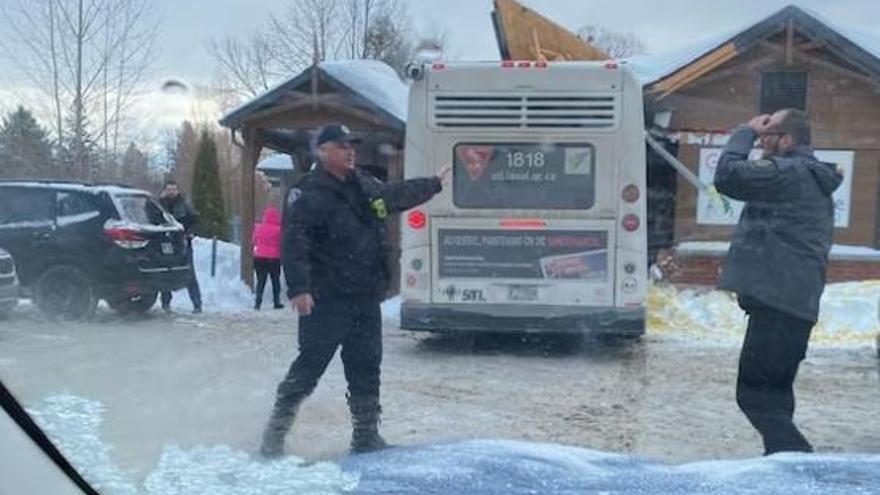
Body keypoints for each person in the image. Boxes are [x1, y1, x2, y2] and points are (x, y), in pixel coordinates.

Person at [259, 124, 451, 458]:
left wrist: (433, 184)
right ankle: (274, 437)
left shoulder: (361, 183)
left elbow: (392, 196)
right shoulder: (307, 192)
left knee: (366, 366)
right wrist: (300, 288)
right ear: (322, 151)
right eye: (341, 145)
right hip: (326, 298)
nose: (350, 151)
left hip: (364, 296)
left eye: (352, 145)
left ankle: (365, 436)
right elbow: (294, 243)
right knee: (309, 367)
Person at [713, 109, 842, 455]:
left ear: (787, 140)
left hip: (778, 302)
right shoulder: (806, 175)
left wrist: (745, 132)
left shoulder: (789, 171)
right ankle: (784, 465)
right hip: (793, 303)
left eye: (767, 135)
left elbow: (728, 177)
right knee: (775, 398)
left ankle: (799, 462)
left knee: (753, 395)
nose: (760, 142)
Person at [159, 180, 203, 314]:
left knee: (189, 273)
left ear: (177, 190)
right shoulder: (159, 205)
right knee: (165, 273)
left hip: (182, 243)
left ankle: (197, 304)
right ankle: (166, 303)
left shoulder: (184, 205)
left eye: (173, 189)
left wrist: (190, 232)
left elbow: (195, 220)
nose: (171, 192)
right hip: (165, 243)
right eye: (169, 189)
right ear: (165, 190)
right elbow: (151, 217)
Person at [253, 205, 283, 310]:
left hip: (259, 257)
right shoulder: (279, 230)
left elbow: (254, 240)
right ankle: (276, 302)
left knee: (261, 281)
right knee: (275, 281)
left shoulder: (259, 227)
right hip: (274, 258)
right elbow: (281, 243)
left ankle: (258, 302)